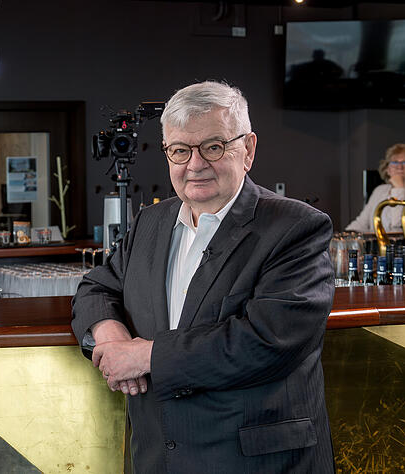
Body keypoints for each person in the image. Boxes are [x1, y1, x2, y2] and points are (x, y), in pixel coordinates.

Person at [71, 81, 335, 473]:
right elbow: (98, 285)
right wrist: (112, 338)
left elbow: (268, 341)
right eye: (179, 150)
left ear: (248, 150)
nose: (194, 165)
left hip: (256, 462)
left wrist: (144, 357)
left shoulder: (297, 226)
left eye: (213, 147)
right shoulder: (151, 221)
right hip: (158, 457)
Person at [346, 143, 405, 233]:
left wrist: (399, 189)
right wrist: (346, 237)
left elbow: (397, 227)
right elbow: (361, 223)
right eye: (395, 162)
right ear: (387, 169)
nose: (399, 167)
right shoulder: (380, 190)